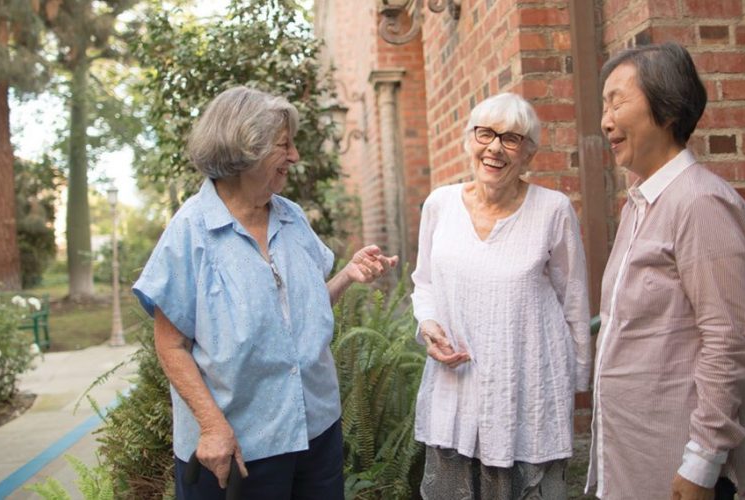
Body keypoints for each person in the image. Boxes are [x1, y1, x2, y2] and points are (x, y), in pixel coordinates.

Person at [132, 86, 398, 500]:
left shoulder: (291, 217)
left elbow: (297, 314)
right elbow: (170, 345)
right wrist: (212, 426)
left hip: (316, 430)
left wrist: (346, 275)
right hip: (237, 447)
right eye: (283, 145)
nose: (294, 156)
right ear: (245, 150)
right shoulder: (191, 232)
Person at [587, 42, 745, 500]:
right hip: (632, 461)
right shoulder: (640, 204)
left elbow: (728, 339)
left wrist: (701, 463)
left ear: (666, 107)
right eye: (604, 105)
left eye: (617, 101)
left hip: (677, 471)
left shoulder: (700, 202)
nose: (605, 121)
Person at [411, 92, 591, 500]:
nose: (495, 147)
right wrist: (428, 324)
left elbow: (575, 301)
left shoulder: (553, 210)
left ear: (529, 153)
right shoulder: (439, 205)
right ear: (468, 140)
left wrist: (577, 383)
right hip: (456, 390)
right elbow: (424, 283)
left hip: (526, 392)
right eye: (485, 134)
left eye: (511, 139)